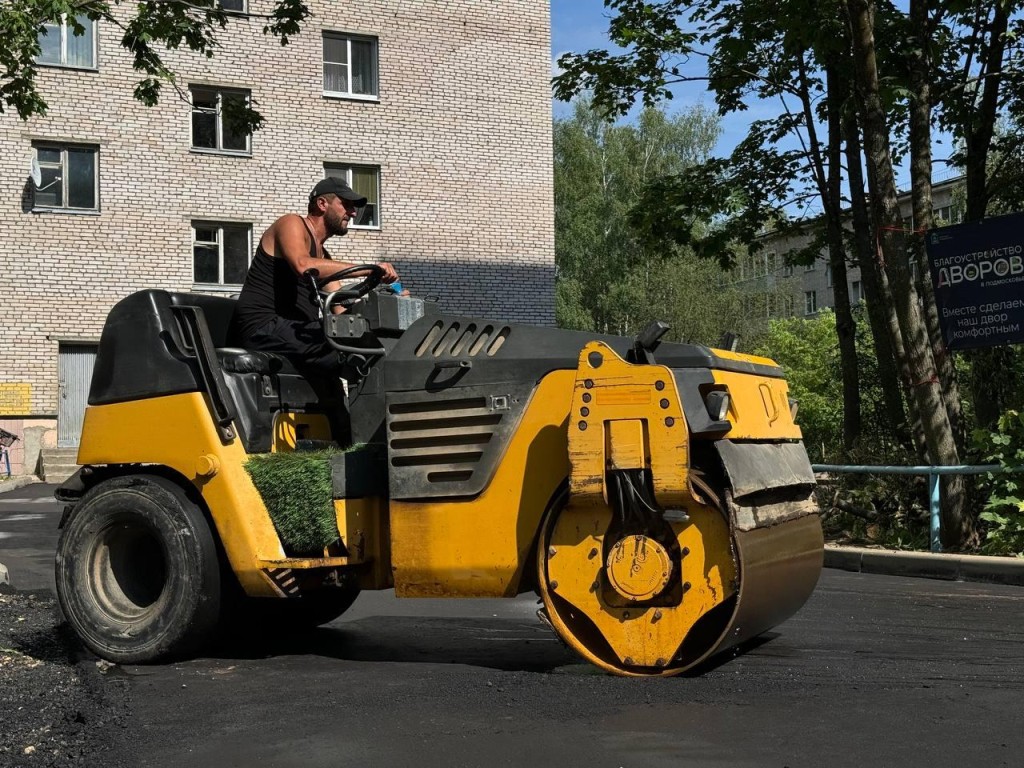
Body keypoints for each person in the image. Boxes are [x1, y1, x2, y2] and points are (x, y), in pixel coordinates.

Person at [229, 178, 400, 373]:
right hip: (262, 327)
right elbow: (303, 265)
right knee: (340, 348)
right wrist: (369, 268)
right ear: (322, 204)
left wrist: (387, 304)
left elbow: (340, 309)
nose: (352, 213)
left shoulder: (323, 256)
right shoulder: (291, 223)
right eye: (346, 205)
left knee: (364, 341)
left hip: (295, 332)